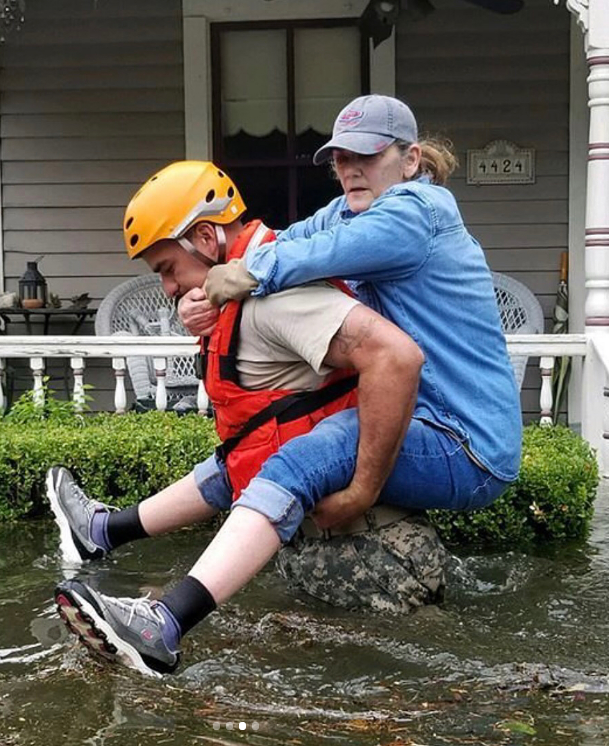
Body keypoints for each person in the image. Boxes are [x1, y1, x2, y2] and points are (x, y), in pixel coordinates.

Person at [50, 160, 431, 678]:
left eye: (165, 268)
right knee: (243, 452)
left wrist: (363, 487)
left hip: (376, 562)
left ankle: (162, 625)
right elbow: (253, 442)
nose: (166, 287)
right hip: (335, 551)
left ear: (206, 237)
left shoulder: (281, 299)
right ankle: (102, 531)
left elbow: (394, 357)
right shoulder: (240, 290)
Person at [199, 94, 522, 529]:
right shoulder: (348, 210)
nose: (350, 169)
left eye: (366, 156)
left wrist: (360, 493)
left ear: (410, 160)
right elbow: (286, 240)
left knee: (305, 457)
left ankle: (184, 600)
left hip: (466, 447)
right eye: (340, 158)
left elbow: (321, 252)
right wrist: (205, 278)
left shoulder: (416, 214)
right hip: (419, 423)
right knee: (251, 448)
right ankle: (112, 528)